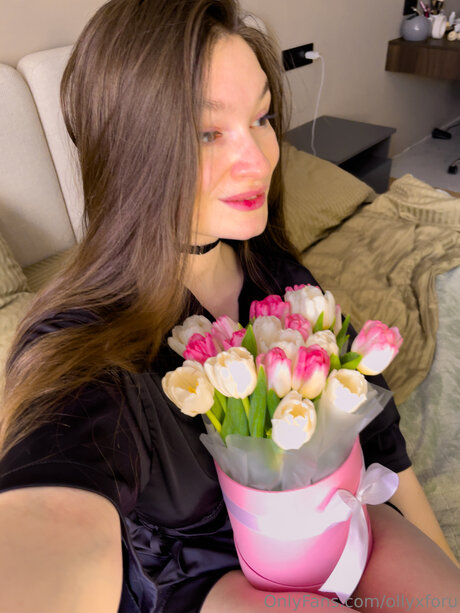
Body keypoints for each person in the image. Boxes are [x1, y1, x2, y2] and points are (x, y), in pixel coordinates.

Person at [0, 1, 458, 611]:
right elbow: (47, 515)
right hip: (209, 575)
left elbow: (379, 437)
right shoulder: (86, 344)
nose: (261, 160)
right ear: (128, 148)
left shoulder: (279, 275)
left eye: (262, 118)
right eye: (206, 132)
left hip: (337, 515)